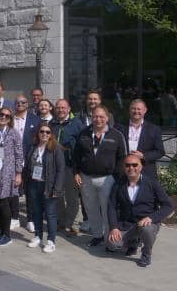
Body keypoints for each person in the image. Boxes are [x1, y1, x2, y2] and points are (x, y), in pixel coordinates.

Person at [72, 105, 127, 246]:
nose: (98, 119)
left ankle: (110, 238)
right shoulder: (83, 134)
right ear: (91, 118)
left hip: (107, 179)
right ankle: (97, 235)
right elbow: (76, 155)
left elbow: (122, 158)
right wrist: (76, 172)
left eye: (101, 116)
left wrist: (117, 177)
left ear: (107, 118)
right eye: (95, 116)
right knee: (91, 209)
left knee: (108, 210)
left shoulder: (116, 135)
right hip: (86, 178)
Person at [106, 155, 173, 268]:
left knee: (146, 230)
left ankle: (146, 254)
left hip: (147, 223)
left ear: (141, 166)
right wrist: (114, 227)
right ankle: (133, 242)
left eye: (135, 165)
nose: (131, 168)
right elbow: (111, 206)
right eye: (127, 165)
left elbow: (168, 205)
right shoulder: (118, 184)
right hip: (127, 224)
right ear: (124, 167)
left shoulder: (152, 183)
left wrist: (151, 218)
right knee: (112, 244)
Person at [23, 125, 65, 253]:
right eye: (42, 131)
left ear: (51, 134)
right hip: (34, 184)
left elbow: (61, 170)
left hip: (49, 186)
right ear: (38, 133)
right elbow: (28, 166)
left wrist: (57, 188)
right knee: (36, 212)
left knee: (50, 214)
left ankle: (51, 241)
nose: (45, 134)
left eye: (48, 132)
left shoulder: (56, 149)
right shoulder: (33, 147)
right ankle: (38, 236)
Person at [0, 108, 23, 247]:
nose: (3, 117)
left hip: (8, 172)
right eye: (1, 114)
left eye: (7, 116)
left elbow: (19, 154)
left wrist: (19, 173)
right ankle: (1, 232)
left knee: (3, 202)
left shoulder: (14, 133)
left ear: (10, 118)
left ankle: (6, 235)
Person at [50, 98, 83, 235]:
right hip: (54, 167)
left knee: (72, 198)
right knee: (57, 195)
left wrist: (78, 169)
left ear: (69, 109)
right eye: (58, 107)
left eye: (63, 108)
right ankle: (62, 222)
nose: (61, 110)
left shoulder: (77, 124)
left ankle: (72, 223)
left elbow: (82, 146)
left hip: (70, 166)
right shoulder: (51, 124)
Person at [122, 99, 165, 179]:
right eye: (133, 108)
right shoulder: (120, 127)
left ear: (145, 110)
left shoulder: (154, 129)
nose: (136, 111)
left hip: (146, 171)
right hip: (124, 172)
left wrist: (143, 156)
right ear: (129, 110)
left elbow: (160, 151)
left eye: (139, 109)